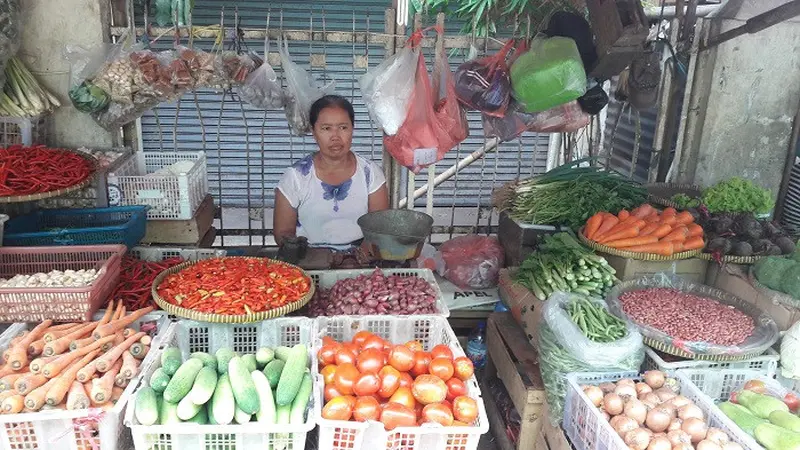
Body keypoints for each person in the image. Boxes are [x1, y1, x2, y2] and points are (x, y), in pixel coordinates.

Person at [274, 95, 389, 250]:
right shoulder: (295, 177)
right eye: (326, 128)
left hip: (362, 265)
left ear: (352, 130)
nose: (335, 137)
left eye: (343, 127)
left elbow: (379, 229)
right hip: (309, 264)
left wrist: (360, 260)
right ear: (313, 132)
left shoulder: (371, 174)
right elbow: (283, 233)